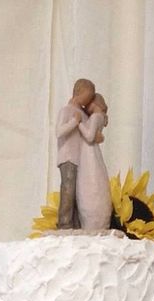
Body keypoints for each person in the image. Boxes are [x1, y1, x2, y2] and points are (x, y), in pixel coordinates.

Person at [55, 78, 95, 229]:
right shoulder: (67, 110)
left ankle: (77, 223)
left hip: (82, 159)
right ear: (79, 92)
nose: (89, 99)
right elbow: (59, 132)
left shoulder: (83, 114)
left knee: (79, 192)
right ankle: (65, 223)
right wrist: (74, 122)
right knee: (68, 189)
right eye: (88, 95)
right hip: (68, 157)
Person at [76, 94, 112, 231]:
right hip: (93, 152)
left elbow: (90, 136)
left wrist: (78, 123)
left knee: (90, 185)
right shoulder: (101, 118)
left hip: (89, 152)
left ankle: (92, 224)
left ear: (94, 103)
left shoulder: (95, 117)